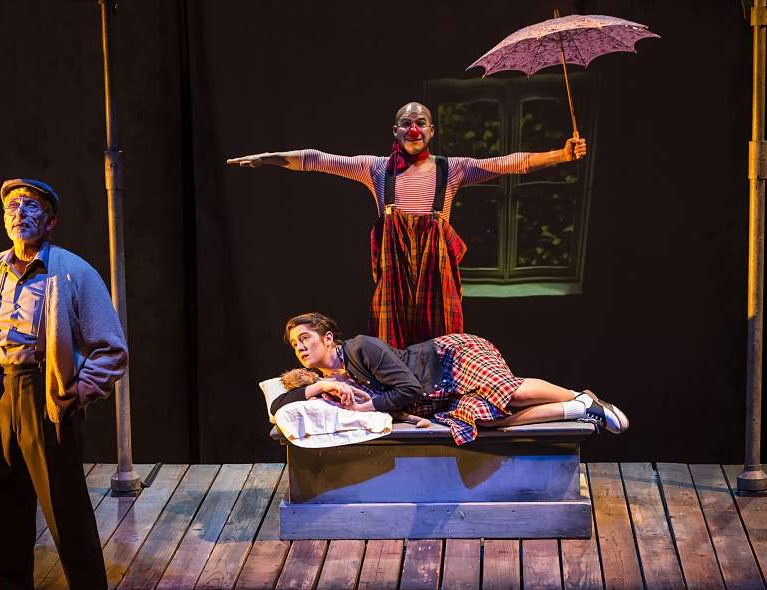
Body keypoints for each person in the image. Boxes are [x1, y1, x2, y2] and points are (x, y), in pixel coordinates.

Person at [228, 102, 587, 348]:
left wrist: (561, 154)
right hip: (394, 270)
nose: (414, 129)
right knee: (391, 342)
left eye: (421, 123)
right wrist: (268, 157)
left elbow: (510, 163)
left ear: (431, 130)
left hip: (436, 270)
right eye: (406, 123)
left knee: (441, 342)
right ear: (396, 130)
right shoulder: (376, 168)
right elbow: (318, 159)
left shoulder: (453, 169)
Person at [0, 179, 128, 590]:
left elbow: (112, 349)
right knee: (2, 516)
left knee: (66, 514)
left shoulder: (72, 272)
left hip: (44, 394)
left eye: (30, 206)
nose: (19, 213)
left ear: (51, 221)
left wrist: (78, 390)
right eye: (12, 206)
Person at [271, 312, 627, 445]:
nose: (300, 346)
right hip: (439, 399)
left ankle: (575, 394)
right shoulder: (329, 383)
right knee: (487, 418)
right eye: (294, 343)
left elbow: (409, 387)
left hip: (450, 359)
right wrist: (319, 385)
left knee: (509, 395)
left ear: (327, 338)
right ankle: (582, 407)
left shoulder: (361, 348)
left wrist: (371, 405)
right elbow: (278, 405)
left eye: (305, 338)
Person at [280, 367, 431, 428]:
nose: (303, 372)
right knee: (388, 412)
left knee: (392, 410)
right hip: (349, 407)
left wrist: (363, 395)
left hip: (357, 401)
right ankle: (416, 419)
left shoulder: (323, 382)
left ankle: (417, 419)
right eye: (298, 375)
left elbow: (347, 388)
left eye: (302, 371)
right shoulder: (307, 393)